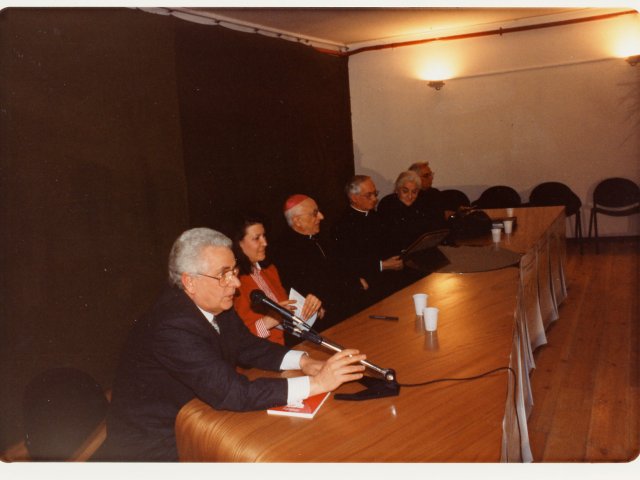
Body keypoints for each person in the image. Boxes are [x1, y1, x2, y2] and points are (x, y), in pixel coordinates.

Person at [103, 227, 365, 461]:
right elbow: (232, 392)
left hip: (198, 417)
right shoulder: (171, 326)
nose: (236, 284)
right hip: (156, 445)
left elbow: (249, 347)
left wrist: (305, 362)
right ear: (189, 282)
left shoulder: (215, 303)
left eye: (235, 272)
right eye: (224, 275)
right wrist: (318, 384)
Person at [273, 194, 366, 329]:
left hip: (345, 307)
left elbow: (340, 267)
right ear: (297, 221)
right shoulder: (284, 251)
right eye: (315, 214)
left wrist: (355, 280)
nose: (321, 217)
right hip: (324, 321)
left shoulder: (319, 238)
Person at [230, 211, 323, 345]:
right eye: (257, 238)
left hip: (294, 343)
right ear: (238, 244)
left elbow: (290, 313)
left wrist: (311, 308)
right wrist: (269, 321)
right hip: (263, 356)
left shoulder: (270, 270)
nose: (265, 243)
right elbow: (236, 340)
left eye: (264, 236)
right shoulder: (232, 283)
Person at [332, 175, 405, 304]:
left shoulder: (376, 216)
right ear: (354, 198)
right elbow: (345, 262)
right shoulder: (342, 225)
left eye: (375, 193)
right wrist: (382, 265)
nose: (375, 199)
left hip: (388, 275)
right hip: (366, 281)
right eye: (369, 195)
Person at [377, 170, 436, 254]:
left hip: (416, 249)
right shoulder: (387, 204)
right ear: (397, 190)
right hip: (394, 251)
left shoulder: (420, 203)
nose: (410, 196)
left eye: (414, 192)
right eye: (405, 191)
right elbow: (390, 238)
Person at [408, 161, 449, 229]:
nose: (431, 178)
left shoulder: (434, 192)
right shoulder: (409, 196)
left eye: (431, 174)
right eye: (426, 175)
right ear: (414, 178)